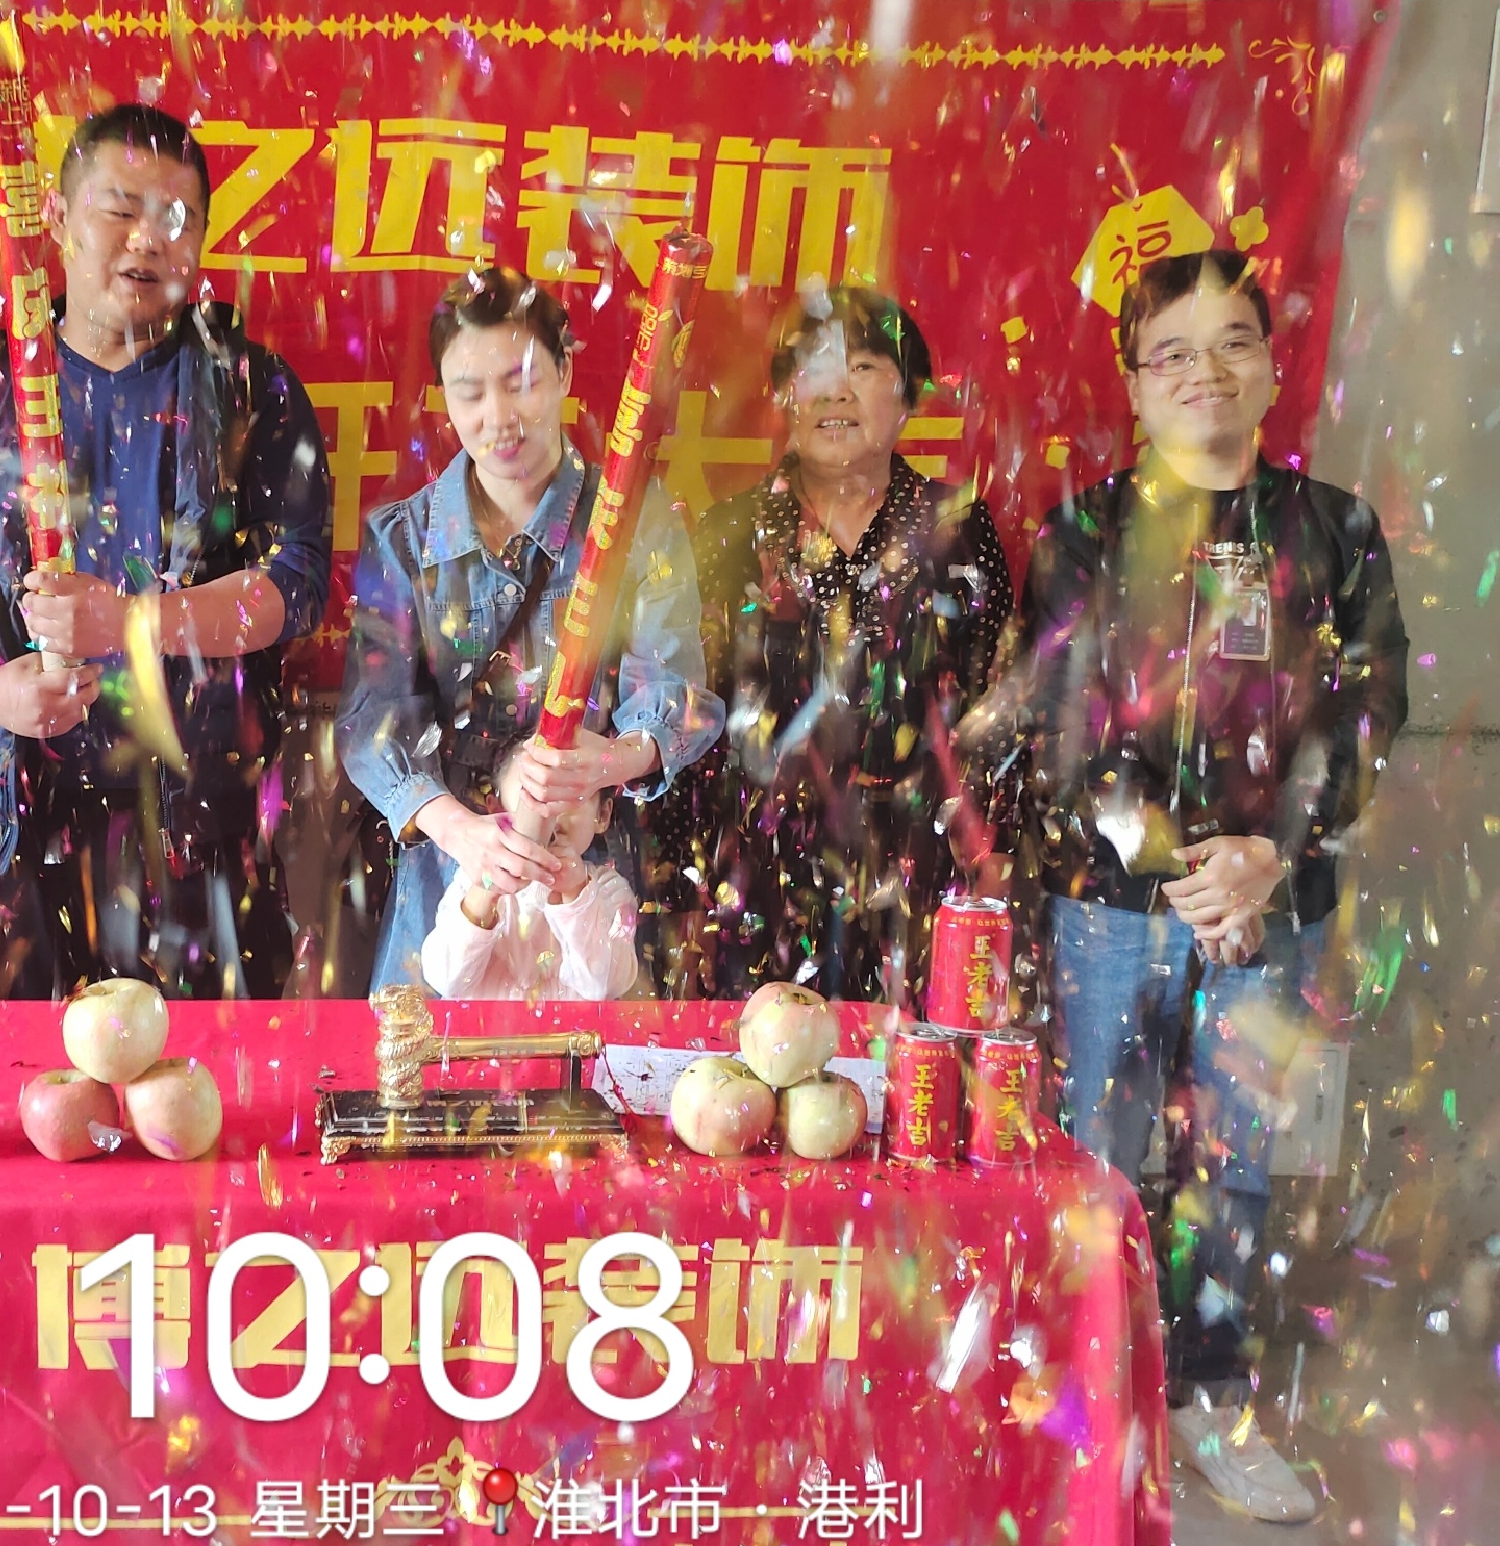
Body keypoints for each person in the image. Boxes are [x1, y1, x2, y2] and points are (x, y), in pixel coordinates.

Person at [1019, 248, 1407, 1522]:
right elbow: (1066, 731)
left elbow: (1369, 711)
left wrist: (1273, 853)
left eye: (1233, 341)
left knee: (1236, 1163)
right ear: (1136, 385)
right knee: (1096, 1148)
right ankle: (1090, 1388)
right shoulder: (1082, 535)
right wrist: (1187, 867)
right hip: (1112, 908)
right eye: (1172, 352)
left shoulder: (1336, 531)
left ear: (1273, 368)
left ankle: (1209, 1400)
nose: (1206, 371)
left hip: (1276, 910)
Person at [0, 103, 331, 999]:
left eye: (176, 220)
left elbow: (298, 584)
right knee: (24, 1076)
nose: (147, 240)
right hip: (17, 820)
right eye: (119, 209)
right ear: (55, 217)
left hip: (202, 823)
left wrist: (130, 622)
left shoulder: (251, 388)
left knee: (209, 1080)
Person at [338, 267, 719, 990]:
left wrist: (609, 761)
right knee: (426, 1056)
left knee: (586, 1055)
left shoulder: (637, 520)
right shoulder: (403, 539)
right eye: (470, 392)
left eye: (521, 383)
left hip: (588, 878)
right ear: (443, 396)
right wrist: (460, 830)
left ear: (565, 372)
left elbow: (678, 693)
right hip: (450, 884)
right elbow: (371, 722)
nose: (499, 416)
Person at [650, 287, 1013, 1003]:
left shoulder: (956, 529)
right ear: (785, 394)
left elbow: (995, 707)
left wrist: (990, 853)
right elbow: (687, 716)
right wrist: (676, 891)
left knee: (911, 1063)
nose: (835, 390)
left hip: (919, 874)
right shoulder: (729, 535)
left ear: (907, 398)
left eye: (865, 367)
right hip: (756, 880)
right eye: (812, 367)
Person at [418, 746, 639, 1001]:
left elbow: (606, 985)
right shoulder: (472, 879)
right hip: (484, 1028)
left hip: (572, 1029)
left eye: (571, 794)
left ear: (602, 815)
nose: (551, 810)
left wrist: (577, 893)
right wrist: (485, 890)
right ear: (497, 810)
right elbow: (446, 981)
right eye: (531, 793)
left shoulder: (608, 888)